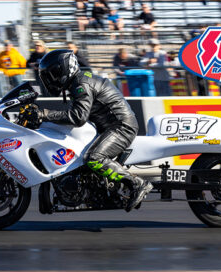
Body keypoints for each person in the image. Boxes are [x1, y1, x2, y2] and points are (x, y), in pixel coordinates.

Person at [25, 50, 153, 212]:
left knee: (95, 158)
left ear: (64, 69)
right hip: (109, 126)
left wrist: (45, 114)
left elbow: (78, 117)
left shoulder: (81, 84)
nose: (50, 79)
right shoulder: (77, 82)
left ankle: (136, 184)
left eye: (53, 74)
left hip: (121, 126)